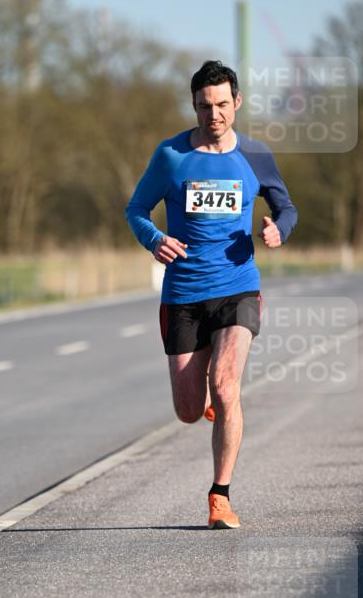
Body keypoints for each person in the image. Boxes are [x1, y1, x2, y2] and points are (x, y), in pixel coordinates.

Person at [126, 60, 297, 529]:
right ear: (194, 106)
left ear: (237, 103)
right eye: (205, 106)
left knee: (226, 387)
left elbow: (286, 206)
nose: (214, 114)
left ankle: (219, 495)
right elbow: (136, 208)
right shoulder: (171, 156)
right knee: (186, 410)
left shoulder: (256, 156)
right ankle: (211, 406)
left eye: (222, 104)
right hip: (183, 292)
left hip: (237, 286)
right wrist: (154, 238)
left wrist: (277, 229)